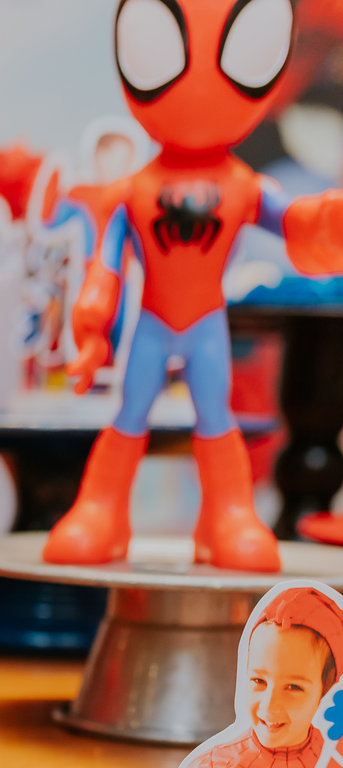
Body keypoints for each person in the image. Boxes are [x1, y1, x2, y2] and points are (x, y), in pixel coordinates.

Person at [44, 0, 343, 571]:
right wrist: (92, 326)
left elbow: (293, 225)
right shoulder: (134, 190)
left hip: (206, 327)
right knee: (131, 412)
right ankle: (101, 512)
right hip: (153, 325)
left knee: (215, 414)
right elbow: (106, 264)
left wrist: (326, 222)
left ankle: (227, 516)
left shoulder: (243, 186)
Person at [179, 589, 341, 768]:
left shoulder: (335, 766)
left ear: (326, 690)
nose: (269, 705)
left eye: (294, 687)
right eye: (258, 681)